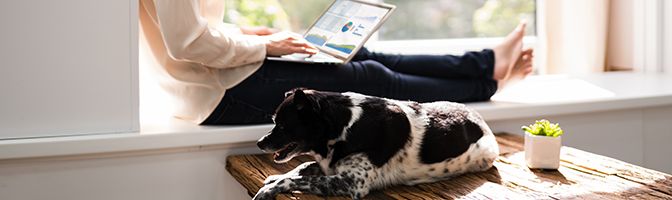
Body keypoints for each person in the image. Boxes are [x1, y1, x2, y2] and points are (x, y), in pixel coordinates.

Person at [139, 0, 534, 125]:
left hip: (221, 74)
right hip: (214, 93)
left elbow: (193, 29)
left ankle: (486, 62)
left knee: (362, 54)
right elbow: (188, 42)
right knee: (369, 77)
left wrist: (249, 36)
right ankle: (490, 85)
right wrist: (265, 47)